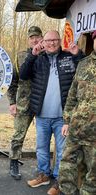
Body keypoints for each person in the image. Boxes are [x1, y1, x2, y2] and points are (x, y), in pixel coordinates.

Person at [20, 30, 84, 195]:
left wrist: (78, 55)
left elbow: (85, 70)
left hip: (63, 117)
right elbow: (23, 75)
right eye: (48, 40)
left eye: (55, 40)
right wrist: (32, 55)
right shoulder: (38, 59)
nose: (52, 43)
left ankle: (58, 181)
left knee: (62, 150)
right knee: (41, 148)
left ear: (60, 41)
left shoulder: (69, 57)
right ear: (43, 42)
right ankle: (43, 175)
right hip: (41, 115)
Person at [58, 30, 96, 195]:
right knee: (67, 166)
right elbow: (72, 95)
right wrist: (66, 120)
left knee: (93, 175)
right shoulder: (83, 63)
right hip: (76, 129)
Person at [7, 26, 43, 180]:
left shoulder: (48, 54)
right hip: (24, 102)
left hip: (43, 102)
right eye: (31, 37)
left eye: (37, 37)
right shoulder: (20, 56)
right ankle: (14, 161)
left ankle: (42, 167)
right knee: (18, 134)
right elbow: (13, 81)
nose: (35, 40)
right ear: (28, 39)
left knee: (43, 136)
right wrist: (12, 102)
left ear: (42, 38)